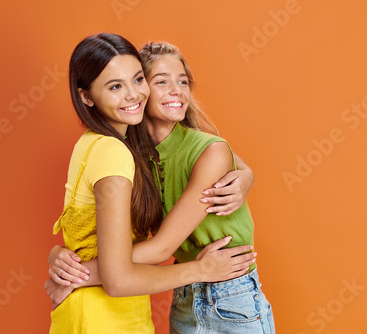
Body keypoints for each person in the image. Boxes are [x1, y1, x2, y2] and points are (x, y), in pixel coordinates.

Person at [48, 33, 257, 334]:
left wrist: (77, 273)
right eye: (160, 81)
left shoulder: (197, 150)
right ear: (87, 96)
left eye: (183, 81)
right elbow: (114, 252)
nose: (133, 94)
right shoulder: (124, 153)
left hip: (229, 296)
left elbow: (155, 250)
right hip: (174, 298)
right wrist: (63, 261)